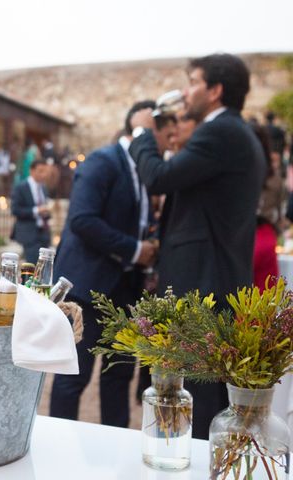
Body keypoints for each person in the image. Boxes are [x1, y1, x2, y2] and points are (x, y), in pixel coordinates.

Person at [128, 53, 266, 439]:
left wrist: (141, 134)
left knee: (202, 392)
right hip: (216, 273)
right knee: (205, 389)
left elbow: (158, 177)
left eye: (193, 82)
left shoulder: (219, 131)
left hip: (205, 279)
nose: (186, 92)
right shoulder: (235, 133)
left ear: (216, 90)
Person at [49, 101, 159, 427]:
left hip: (124, 290)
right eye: (164, 134)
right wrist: (136, 249)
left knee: (119, 378)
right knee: (73, 378)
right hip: (86, 288)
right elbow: (82, 220)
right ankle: (61, 447)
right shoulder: (103, 161)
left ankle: (118, 457)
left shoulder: (142, 169)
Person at [252, 124, 286, 291]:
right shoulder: (273, 176)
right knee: (264, 302)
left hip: (249, 235)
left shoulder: (245, 173)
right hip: (266, 234)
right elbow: (280, 212)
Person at [11, 158, 52, 263]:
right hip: (29, 234)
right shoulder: (21, 187)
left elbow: (44, 208)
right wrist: (36, 211)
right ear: (32, 171)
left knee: (44, 268)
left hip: (44, 234)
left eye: (45, 172)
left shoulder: (43, 188)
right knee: (32, 267)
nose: (43, 175)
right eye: (40, 171)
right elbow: (15, 210)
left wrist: (47, 212)